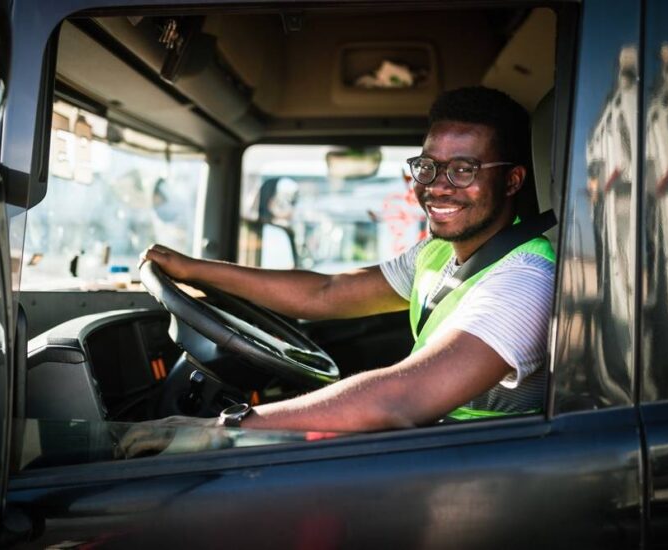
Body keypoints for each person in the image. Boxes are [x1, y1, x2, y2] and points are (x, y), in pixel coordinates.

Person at [140, 86, 555, 434]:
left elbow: (402, 398)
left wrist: (221, 430)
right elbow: (326, 292)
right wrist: (193, 269)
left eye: (463, 170)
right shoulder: (438, 254)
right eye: (428, 167)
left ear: (512, 180)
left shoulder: (524, 279)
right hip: (438, 442)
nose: (437, 187)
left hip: (484, 465)